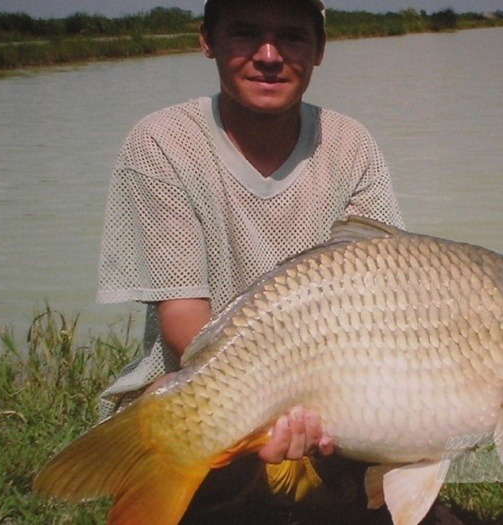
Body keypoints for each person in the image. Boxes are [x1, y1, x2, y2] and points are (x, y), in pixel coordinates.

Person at [96, 0, 403, 522]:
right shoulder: (162, 142)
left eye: (292, 37)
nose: (268, 55)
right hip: (201, 385)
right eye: (244, 34)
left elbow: (383, 302)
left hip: (333, 388)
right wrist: (269, 400)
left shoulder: (352, 146)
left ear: (320, 50)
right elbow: (183, 324)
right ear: (207, 40)